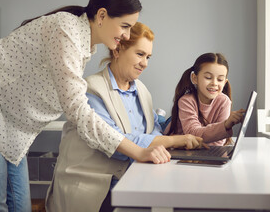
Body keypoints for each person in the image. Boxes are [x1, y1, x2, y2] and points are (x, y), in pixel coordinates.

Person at [0, 0, 171, 212]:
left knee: (20, 207)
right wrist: (139, 151)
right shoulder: (66, 30)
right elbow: (78, 111)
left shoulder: (83, 46)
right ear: (101, 15)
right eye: (125, 26)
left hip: (13, 128)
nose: (127, 34)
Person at [46, 22, 207, 212]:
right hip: (95, 184)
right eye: (140, 54)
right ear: (118, 50)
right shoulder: (91, 90)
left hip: (131, 175)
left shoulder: (140, 89)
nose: (145, 63)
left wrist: (191, 109)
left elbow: (154, 127)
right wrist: (174, 139)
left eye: (148, 57)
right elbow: (117, 142)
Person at [164, 53, 245, 146]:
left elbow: (219, 142)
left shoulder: (224, 101)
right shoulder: (186, 101)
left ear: (225, 82)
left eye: (220, 79)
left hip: (194, 132)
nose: (214, 83)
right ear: (195, 78)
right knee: (161, 123)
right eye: (208, 77)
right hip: (174, 125)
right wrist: (225, 125)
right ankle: (160, 115)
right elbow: (192, 133)